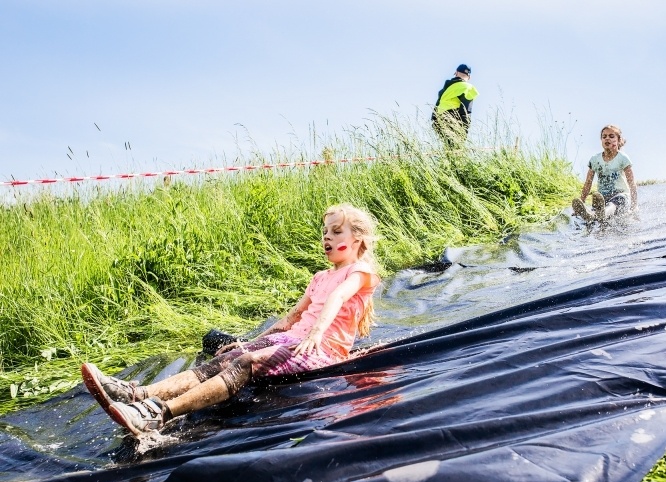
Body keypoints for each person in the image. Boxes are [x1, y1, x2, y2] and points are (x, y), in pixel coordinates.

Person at [81, 203, 382, 435]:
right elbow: (292, 317)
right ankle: (137, 393)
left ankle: (157, 414)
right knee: (228, 357)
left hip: (321, 349)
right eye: (325, 231)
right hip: (295, 338)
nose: (327, 237)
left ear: (357, 239)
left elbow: (338, 297)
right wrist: (247, 342)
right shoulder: (320, 276)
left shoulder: (361, 273)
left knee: (246, 362)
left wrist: (316, 333)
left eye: (336, 232)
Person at [572, 125, 638, 223]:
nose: (607, 138)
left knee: (612, 204)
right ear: (601, 140)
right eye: (604, 136)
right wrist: (582, 201)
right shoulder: (595, 160)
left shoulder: (623, 158)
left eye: (611, 136)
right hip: (602, 198)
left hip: (621, 196)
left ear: (618, 140)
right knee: (599, 203)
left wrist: (634, 205)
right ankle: (591, 214)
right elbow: (588, 183)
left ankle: (602, 214)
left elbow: (631, 183)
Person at [431, 64, 479, 148]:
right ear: (469, 77)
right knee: (456, 148)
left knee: (448, 146)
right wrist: (464, 132)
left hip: (440, 119)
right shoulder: (468, 87)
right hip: (454, 118)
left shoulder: (445, 89)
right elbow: (465, 111)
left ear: (456, 73)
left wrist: (435, 122)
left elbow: (437, 107)